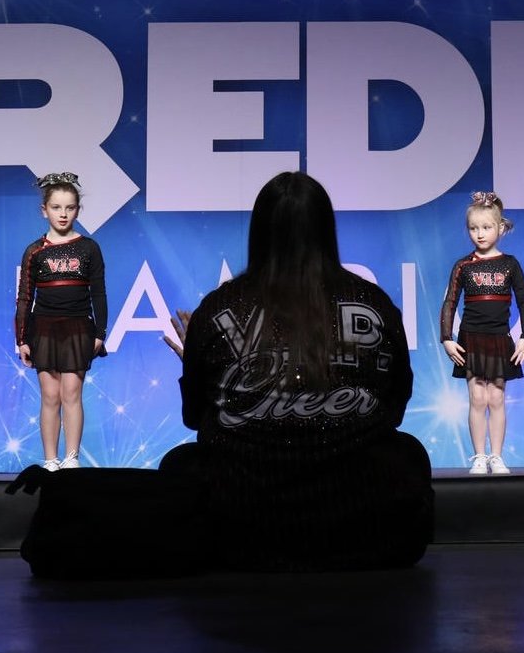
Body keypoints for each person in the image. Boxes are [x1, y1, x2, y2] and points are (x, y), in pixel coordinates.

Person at [161, 171, 432, 572]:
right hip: (367, 526)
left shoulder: (218, 309)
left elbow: (194, 417)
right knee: (408, 453)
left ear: (257, 231)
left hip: (237, 530)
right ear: (326, 229)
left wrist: (204, 365)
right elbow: (393, 411)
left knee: (180, 464)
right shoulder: (373, 303)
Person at [15, 171, 107, 472]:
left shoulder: (89, 248)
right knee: (50, 396)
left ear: (78, 210)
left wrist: (100, 332)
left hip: (78, 327)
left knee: (72, 394)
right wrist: (21, 339)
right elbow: (24, 298)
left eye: (69, 207)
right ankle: (51, 459)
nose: (63, 214)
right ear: (45, 210)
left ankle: (71, 458)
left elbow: (99, 293)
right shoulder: (34, 251)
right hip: (43, 329)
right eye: (56, 207)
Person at [438, 191, 524, 475]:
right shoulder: (463, 265)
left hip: (499, 338)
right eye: (473, 228)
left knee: (497, 398)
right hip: (471, 338)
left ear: (500, 228)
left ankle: (496, 456)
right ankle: (479, 456)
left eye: (486, 227)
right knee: (478, 398)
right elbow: (450, 301)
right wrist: (446, 338)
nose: (480, 234)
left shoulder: (510, 264)